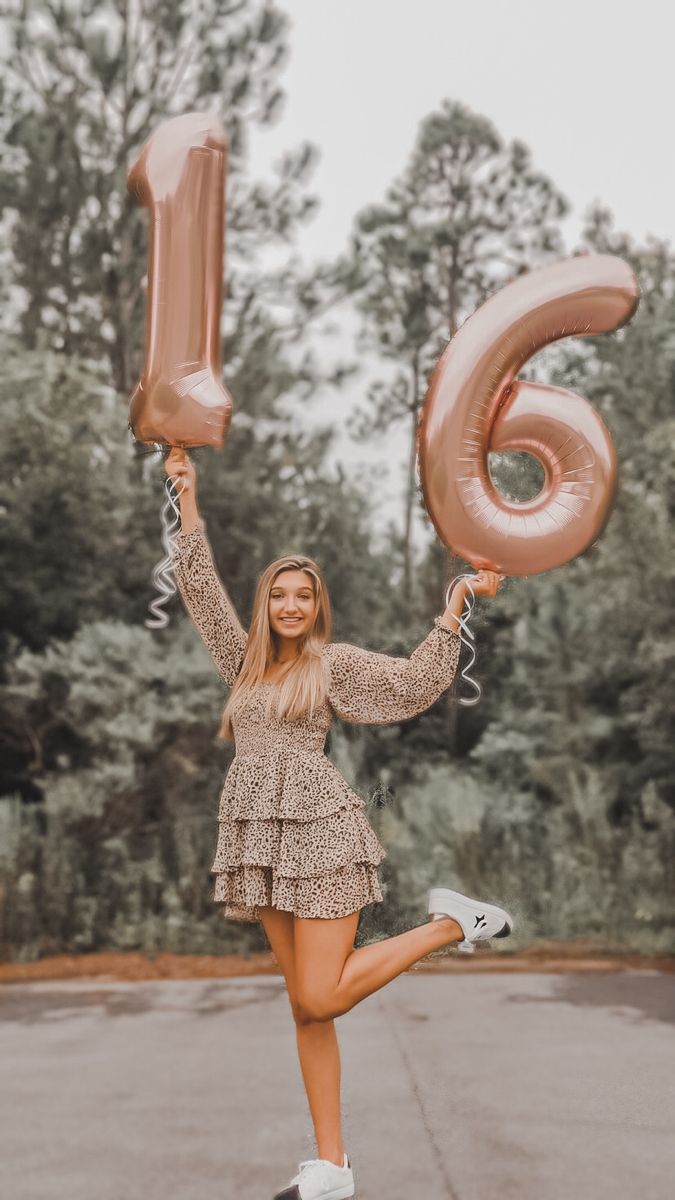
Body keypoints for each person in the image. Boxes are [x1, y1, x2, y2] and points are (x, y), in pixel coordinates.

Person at [164, 447, 513, 1200]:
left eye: (302, 596)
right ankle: (331, 1165)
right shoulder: (244, 663)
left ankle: (449, 926)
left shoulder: (331, 664)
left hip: (317, 827)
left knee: (321, 995)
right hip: (261, 838)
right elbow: (197, 587)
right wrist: (186, 495)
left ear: (316, 606)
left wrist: (454, 607)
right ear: (265, 605)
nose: (289, 605)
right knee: (304, 1004)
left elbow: (415, 682)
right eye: (278, 595)